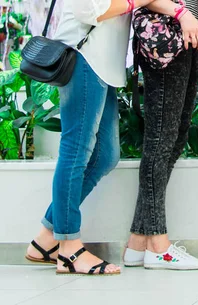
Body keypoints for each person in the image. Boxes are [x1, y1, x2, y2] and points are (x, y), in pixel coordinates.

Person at [24, 0, 158, 275]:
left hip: (103, 64)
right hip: (84, 57)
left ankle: (46, 238)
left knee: (106, 156)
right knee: (76, 150)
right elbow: (87, 9)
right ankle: (69, 248)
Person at [122, 0, 198, 270]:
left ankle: (138, 242)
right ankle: (158, 246)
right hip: (166, 37)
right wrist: (181, 13)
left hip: (185, 37)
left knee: (174, 139)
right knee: (160, 142)